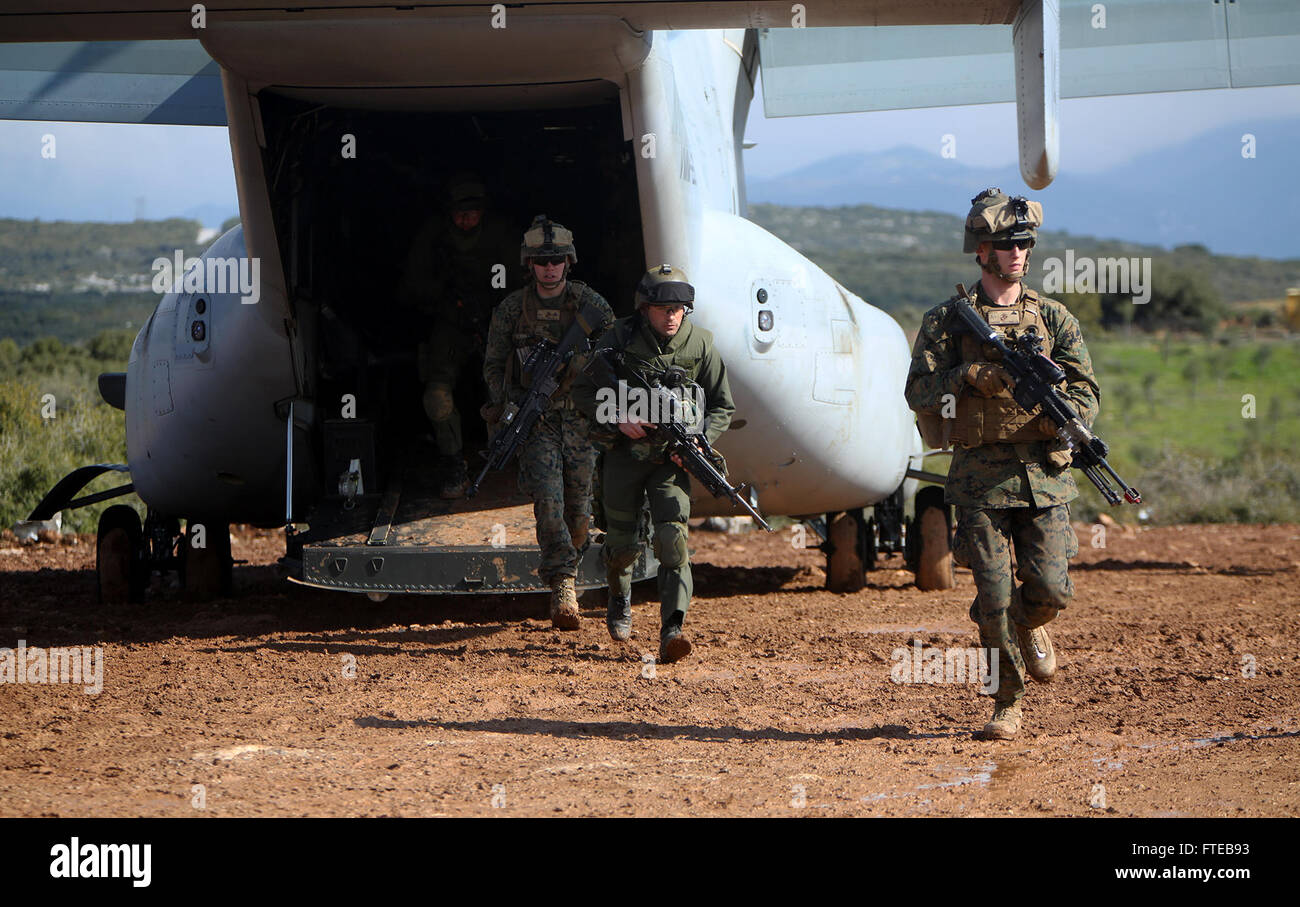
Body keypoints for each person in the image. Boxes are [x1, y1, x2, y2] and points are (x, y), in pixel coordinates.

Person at [904, 188, 1100, 740]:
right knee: (991, 599)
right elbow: (917, 389)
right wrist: (966, 377)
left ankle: (1028, 624)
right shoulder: (947, 321)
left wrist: (1066, 419)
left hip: (1044, 478)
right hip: (978, 483)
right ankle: (1006, 704)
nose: (1018, 252)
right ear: (980, 251)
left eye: (1025, 243)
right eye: (1005, 244)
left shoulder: (1055, 318)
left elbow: (1086, 390)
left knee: (1051, 591)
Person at [571, 264, 735, 663]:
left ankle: (672, 629)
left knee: (673, 540)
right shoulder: (618, 338)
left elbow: (722, 407)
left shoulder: (701, 345)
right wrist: (618, 418)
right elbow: (581, 391)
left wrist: (699, 439)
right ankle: (619, 595)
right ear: (645, 308)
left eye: (679, 308)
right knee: (622, 544)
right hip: (624, 458)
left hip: (671, 461)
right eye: (663, 307)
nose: (672, 315)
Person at [482, 216, 615, 629]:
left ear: (568, 261)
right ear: (529, 264)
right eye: (541, 261)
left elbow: (617, 360)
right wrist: (510, 407)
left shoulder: (590, 305)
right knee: (548, 501)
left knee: (579, 509)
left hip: (580, 420)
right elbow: (492, 366)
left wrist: (580, 367)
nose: (549, 268)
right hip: (537, 423)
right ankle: (561, 583)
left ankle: (572, 557)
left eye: (556, 260)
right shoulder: (511, 310)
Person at [402, 172, 516, 497]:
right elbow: (410, 287)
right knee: (437, 397)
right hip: (450, 325)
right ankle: (453, 464)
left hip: (496, 323)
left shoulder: (500, 235)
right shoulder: (433, 238)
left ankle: (515, 457)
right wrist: (445, 295)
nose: (465, 219)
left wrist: (495, 311)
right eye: (459, 213)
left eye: (473, 212)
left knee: (514, 390)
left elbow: (520, 286)